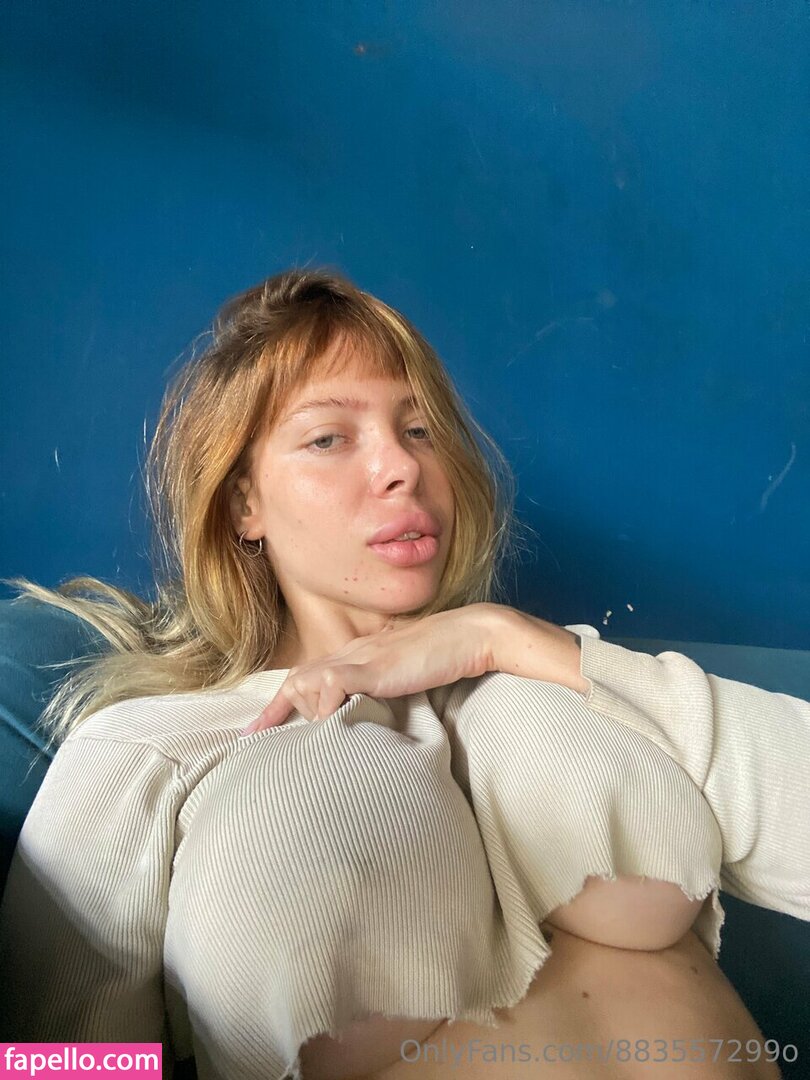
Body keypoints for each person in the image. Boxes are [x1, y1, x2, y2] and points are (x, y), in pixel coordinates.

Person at [1, 267, 807, 1080]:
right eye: (329, 438)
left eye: (419, 430)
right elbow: (57, 1064)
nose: (401, 466)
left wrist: (500, 636)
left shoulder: (548, 666)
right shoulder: (151, 744)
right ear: (244, 503)